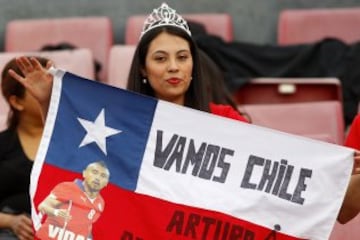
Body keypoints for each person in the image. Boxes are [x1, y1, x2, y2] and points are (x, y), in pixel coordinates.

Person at [7, 1, 360, 227]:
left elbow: (274, 187)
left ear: (194, 65)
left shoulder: (225, 122)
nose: (173, 67)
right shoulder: (120, 125)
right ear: (144, 68)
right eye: (160, 59)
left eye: (182, 57)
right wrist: (50, 100)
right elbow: (77, 169)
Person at [0, 57, 49, 240]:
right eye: (37, 87)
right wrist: (10, 221)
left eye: (52, 85)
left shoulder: (76, 141)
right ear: (16, 102)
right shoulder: (3, 145)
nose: (47, 93)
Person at [35, 161, 110, 240]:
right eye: (94, 172)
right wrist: (56, 212)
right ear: (84, 173)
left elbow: (87, 224)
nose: (97, 178)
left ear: (106, 183)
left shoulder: (100, 202)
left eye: (103, 176)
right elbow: (42, 206)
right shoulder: (67, 187)